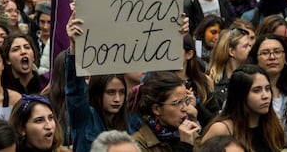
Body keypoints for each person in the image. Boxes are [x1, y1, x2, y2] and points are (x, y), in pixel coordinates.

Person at [65, 11, 130, 152]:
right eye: (110, 92)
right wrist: (74, 45)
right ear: (97, 91)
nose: (117, 99)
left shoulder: (130, 121)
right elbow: (75, 91)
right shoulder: (84, 119)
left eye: (122, 92)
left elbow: (156, 86)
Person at [200, 64, 286, 152]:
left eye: (267, 89)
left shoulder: (275, 126)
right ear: (240, 95)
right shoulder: (222, 129)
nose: (266, 96)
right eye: (257, 90)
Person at [131, 71, 201, 151]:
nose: (185, 108)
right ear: (156, 109)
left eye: (186, 100)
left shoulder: (189, 133)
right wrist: (185, 146)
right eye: (177, 103)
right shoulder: (137, 144)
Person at [247, 34, 287, 140]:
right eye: (265, 53)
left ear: (285, 57)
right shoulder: (246, 89)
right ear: (256, 59)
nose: (272, 57)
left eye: (277, 52)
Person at [177, 34, 219, 128]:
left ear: (189, 54)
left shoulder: (202, 82)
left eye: (175, 50)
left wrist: (197, 108)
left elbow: (215, 120)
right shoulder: (160, 81)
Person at [207, 28, 251, 109]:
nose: (250, 49)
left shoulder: (252, 75)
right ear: (232, 52)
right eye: (245, 46)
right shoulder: (212, 80)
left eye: (250, 46)